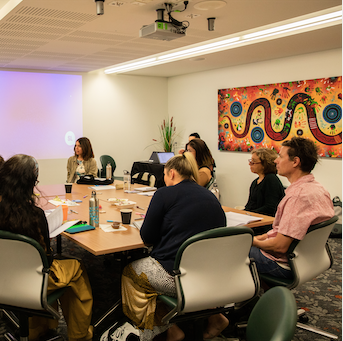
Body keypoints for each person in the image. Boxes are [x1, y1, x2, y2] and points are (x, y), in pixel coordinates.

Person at [0, 154, 93, 341]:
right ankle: (80, 336)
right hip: (29, 282)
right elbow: (46, 258)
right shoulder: (33, 215)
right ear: (29, 183)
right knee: (76, 268)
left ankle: (40, 330)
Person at [121, 152, 227, 341]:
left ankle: (167, 329)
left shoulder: (164, 194)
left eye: (164, 175)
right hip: (213, 275)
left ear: (171, 174)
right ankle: (215, 317)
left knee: (130, 272)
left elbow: (147, 238)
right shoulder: (211, 196)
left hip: (177, 276)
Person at [250, 137, 334, 279]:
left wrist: (249, 241)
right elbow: (281, 232)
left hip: (283, 264)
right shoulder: (319, 189)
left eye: (280, 157)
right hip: (309, 260)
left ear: (295, 162)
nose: (276, 160)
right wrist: (260, 238)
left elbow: (279, 247)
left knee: (228, 249)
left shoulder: (297, 197)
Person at [244, 148, 285, 216]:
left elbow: (270, 208)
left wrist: (249, 214)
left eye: (253, 161)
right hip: (254, 217)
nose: (250, 164)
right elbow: (250, 205)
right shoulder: (255, 182)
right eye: (250, 161)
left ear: (264, 164)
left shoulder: (271, 179)